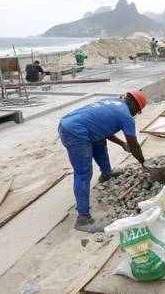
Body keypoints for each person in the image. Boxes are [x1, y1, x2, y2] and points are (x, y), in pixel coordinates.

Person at [58, 90, 147, 233]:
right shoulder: (126, 116)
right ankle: (83, 219)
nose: (135, 114)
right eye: (138, 111)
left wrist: (122, 144)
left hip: (70, 122)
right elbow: (135, 146)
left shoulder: (112, 101)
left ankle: (106, 173)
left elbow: (102, 129)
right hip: (75, 132)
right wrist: (144, 163)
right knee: (83, 173)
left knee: (99, 141)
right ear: (135, 106)